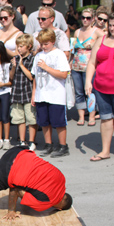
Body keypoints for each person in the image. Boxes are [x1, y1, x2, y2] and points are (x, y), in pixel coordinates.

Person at [85, 11, 114, 162]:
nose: (112, 28)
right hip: (101, 87)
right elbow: (92, 62)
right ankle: (105, 151)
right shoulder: (101, 39)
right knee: (106, 119)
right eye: (110, 25)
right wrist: (88, 81)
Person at [31, 28, 71, 158]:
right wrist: (34, 94)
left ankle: (63, 145)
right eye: (41, 44)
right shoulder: (38, 55)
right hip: (42, 94)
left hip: (56, 95)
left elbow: (63, 74)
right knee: (44, 121)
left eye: (46, 44)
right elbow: (35, 77)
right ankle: (48, 144)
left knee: (58, 122)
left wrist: (47, 68)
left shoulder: (59, 54)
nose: (43, 47)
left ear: (53, 41)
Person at [71, 8, 103, 126]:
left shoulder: (97, 31)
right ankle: (81, 116)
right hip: (76, 66)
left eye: (88, 18)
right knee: (79, 92)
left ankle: (91, 115)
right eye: (83, 17)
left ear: (93, 19)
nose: (85, 20)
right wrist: (70, 61)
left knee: (90, 91)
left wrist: (96, 45)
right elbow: (72, 48)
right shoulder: (77, 32)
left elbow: (107, 40)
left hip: (90, 66)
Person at [9, 34, 37, 150]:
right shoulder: (15, 59)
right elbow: (10, 77)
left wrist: (21, 65)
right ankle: (22, 140)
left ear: (29, 46)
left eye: (21, 46)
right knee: (19, 118)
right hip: (17, 92)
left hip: (28, 92)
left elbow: (31, 77)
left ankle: (31, 141)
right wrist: (15, 67)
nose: (19, 49)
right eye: (17, 46)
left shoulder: (32, 59)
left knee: (31, 118)